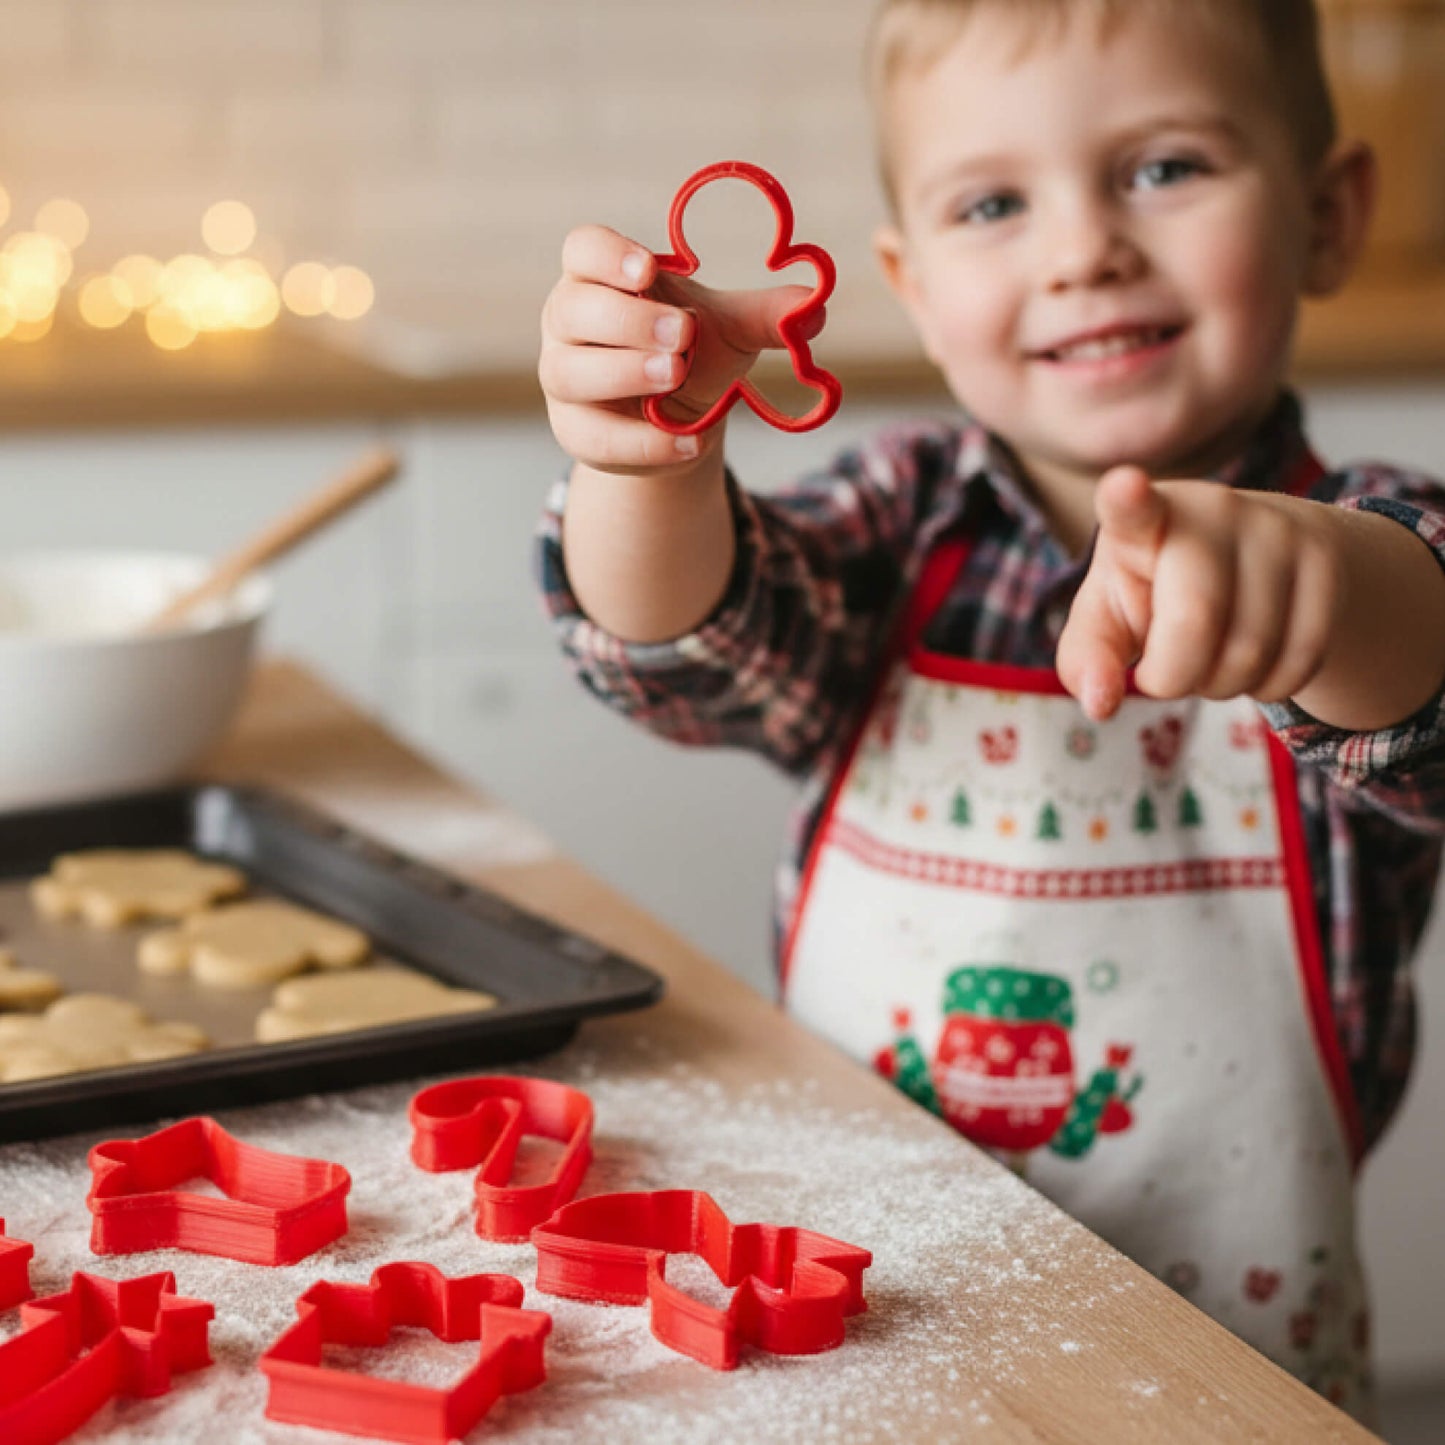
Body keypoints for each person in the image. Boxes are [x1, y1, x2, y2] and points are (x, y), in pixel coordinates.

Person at [534, 0, 1445, 1418]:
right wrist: (644, 469)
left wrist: (1320, 586)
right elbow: (684, 649)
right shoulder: (895, 528)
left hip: (1225, 1384)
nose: (1082, 249)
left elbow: (1423, 659)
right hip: (864, 1334)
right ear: (907, 277)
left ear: (1326, 216)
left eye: (1164, 169)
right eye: (993, 201)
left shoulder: (1362, 544)